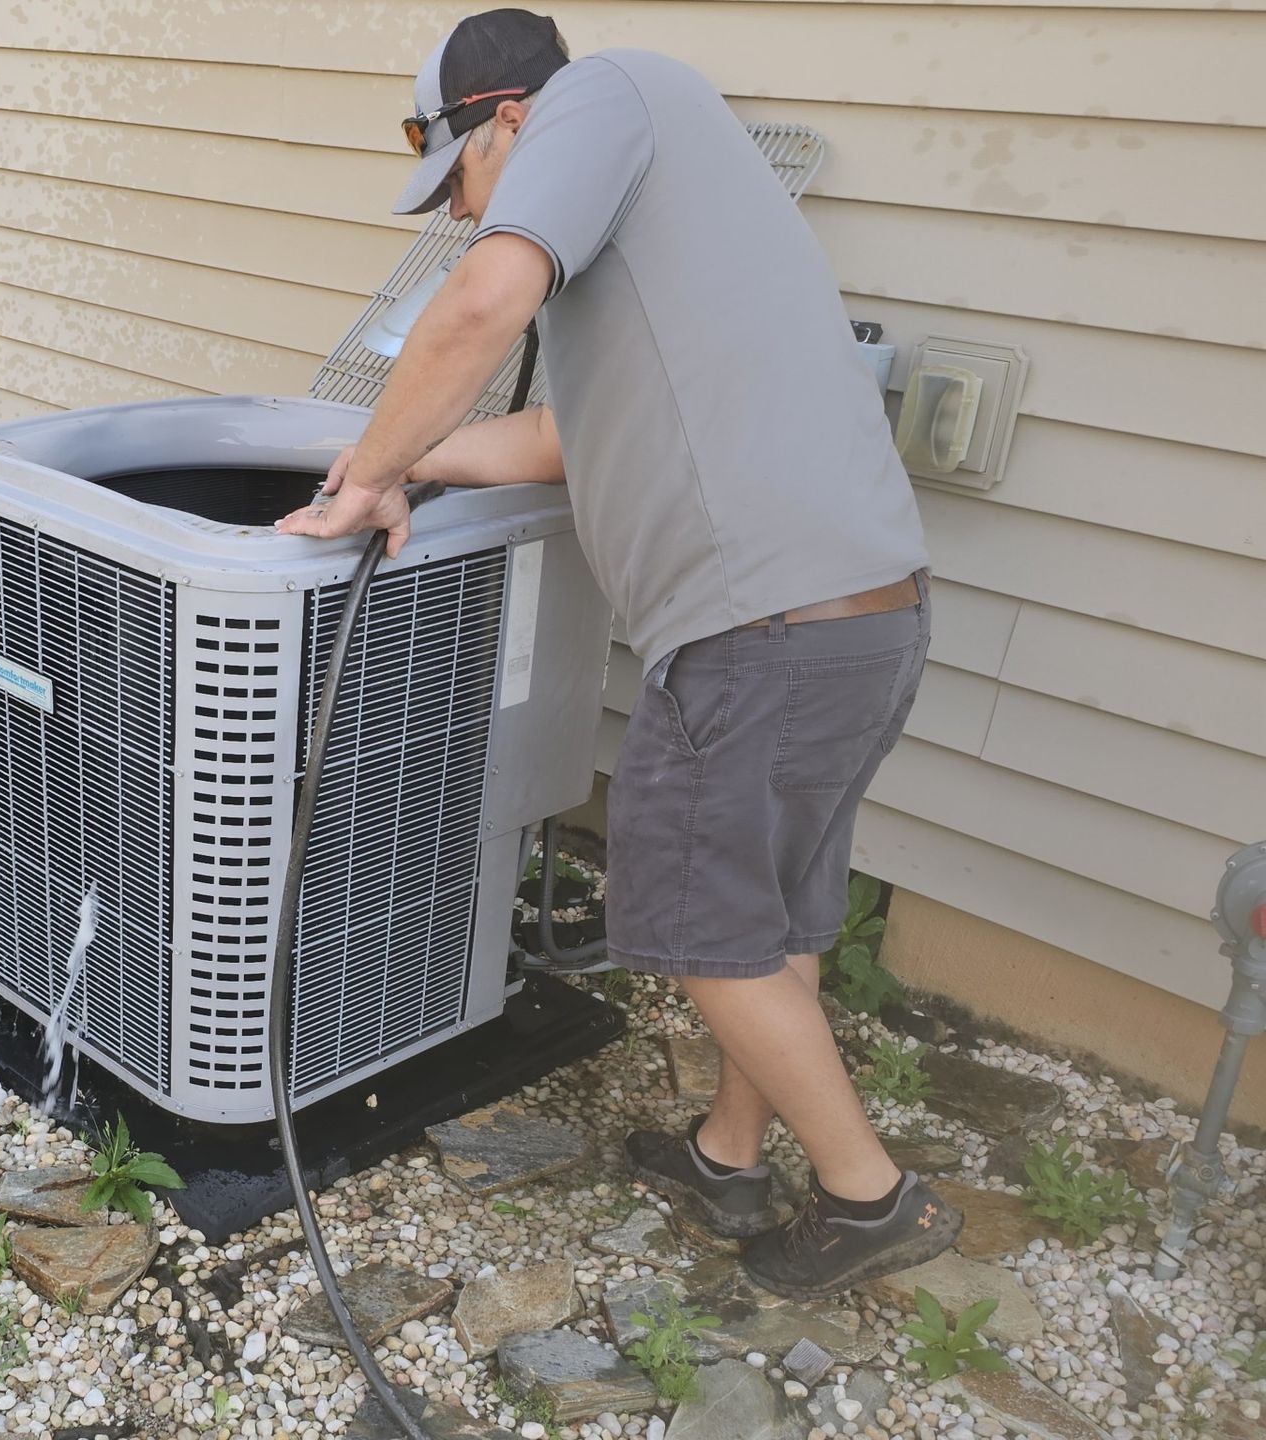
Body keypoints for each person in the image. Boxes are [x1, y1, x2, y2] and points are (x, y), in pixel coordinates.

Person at [275, 7, 961, 1298]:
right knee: (766, 920)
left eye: (464, 178)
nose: (470, 217)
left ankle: (873, 1199)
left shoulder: (612, 98)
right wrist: (404, 461)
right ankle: (727, 1154)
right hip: (859, 620)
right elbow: (553, 441)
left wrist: (363, 475)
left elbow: (485, 299)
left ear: (512, 122)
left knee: (706, 935)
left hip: (760, 632)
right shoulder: (657, 228)